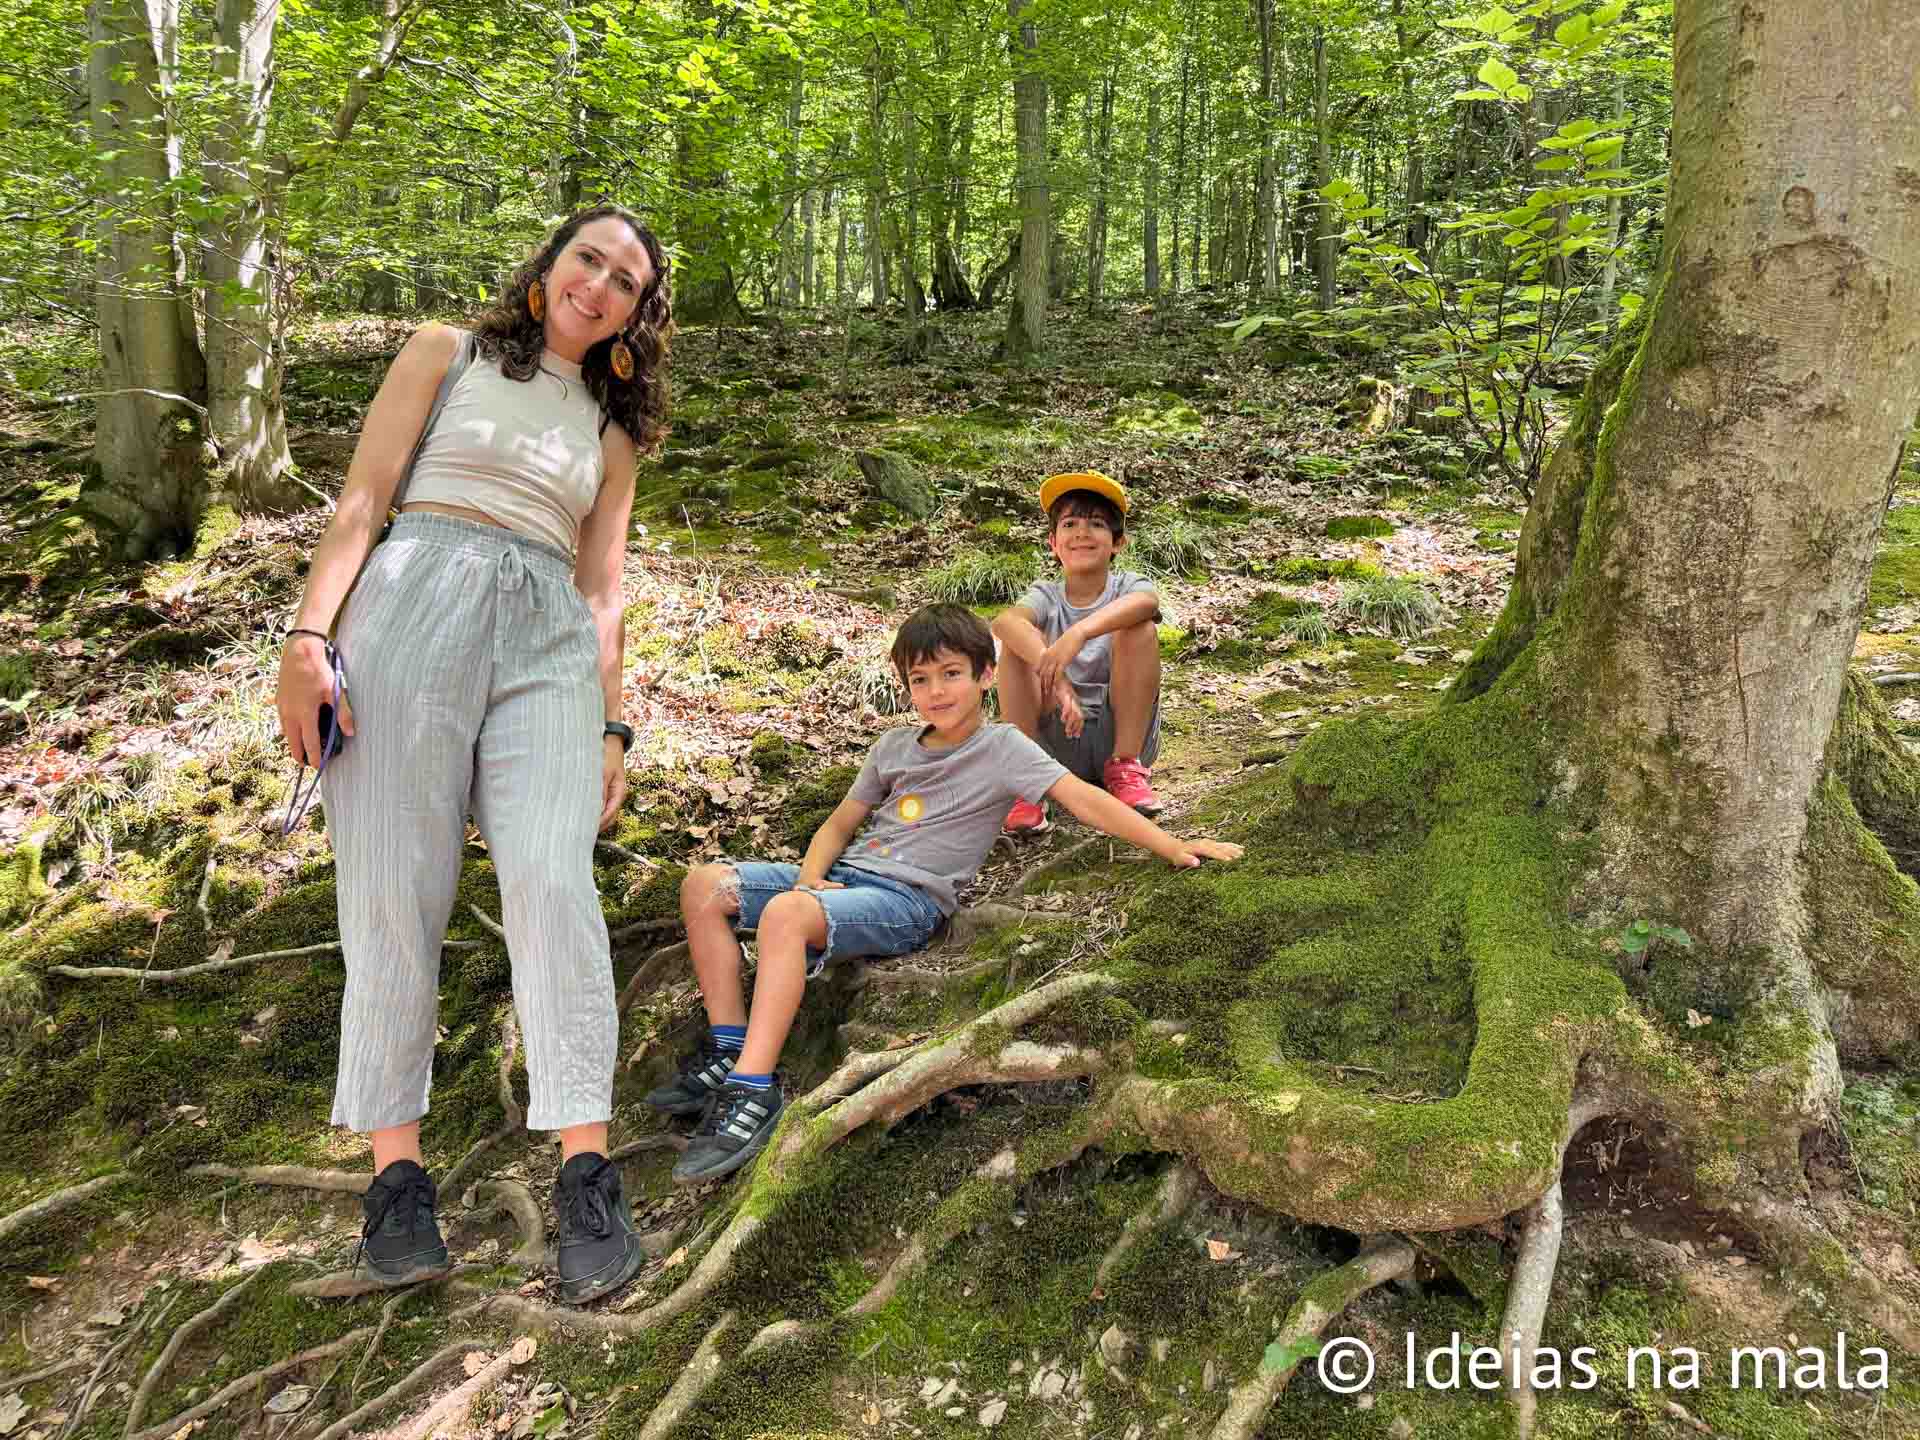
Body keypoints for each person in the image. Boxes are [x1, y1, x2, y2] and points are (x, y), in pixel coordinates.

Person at [272, 203, 671, 1304]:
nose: (600, 282)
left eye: (626, 280)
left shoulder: (612, 427)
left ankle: (585, 1174)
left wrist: (610, 721)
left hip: (546, 636)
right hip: (410, 609)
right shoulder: (444, 354)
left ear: (639, 315)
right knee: (395, 894)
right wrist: (308, 638)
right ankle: (398, 1185)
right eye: (587, 258)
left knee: (553, 882)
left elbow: (602, 588)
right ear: (549, 267)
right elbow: (362, 500)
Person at [651, 604, 1243, 1185]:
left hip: (908, 902)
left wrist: (1169, 844)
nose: (937, 690)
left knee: (784, 915)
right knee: (706, 885)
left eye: (952, 673)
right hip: (848, 880)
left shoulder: (1005, 748)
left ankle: (753, 1088)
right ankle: (729, 1045)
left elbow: (1083, 800)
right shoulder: (894, 748)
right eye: (921, 679)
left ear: (986, 675)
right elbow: (837, 825)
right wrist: (809, 878)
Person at [991, 471, 1164, 836]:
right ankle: (1027, 783)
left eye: (1097, 524)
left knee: (1140, 627)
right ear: (1054, 543)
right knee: (1018, 642)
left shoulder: (1127, 586)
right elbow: (1005, 622)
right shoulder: (1046, 596)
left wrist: (1078, 634)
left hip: (1118, 734)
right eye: (1070, 523)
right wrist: (1059, 680)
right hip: (1055, 744)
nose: (1082, 533)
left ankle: (1126, 768)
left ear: (1118, 542)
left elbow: (1147, 603)